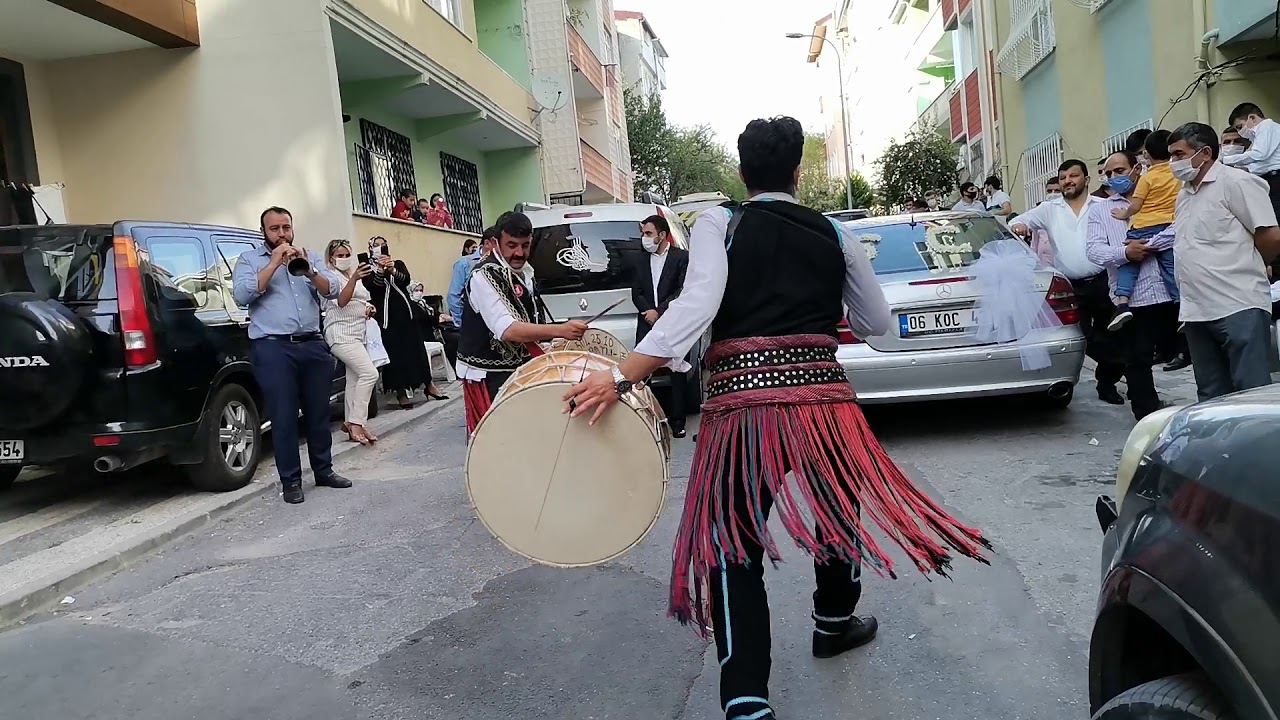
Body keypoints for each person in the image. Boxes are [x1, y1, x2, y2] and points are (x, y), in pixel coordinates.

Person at [563, 116, 990, 720]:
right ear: (797, 173)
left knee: (733, 540)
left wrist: (624, 372)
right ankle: (834, 622)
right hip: (824, 405)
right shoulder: (832, 232)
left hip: (743, 411)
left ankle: (746, 700)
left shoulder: (721, 221)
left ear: (742, 173)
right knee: (838, 507)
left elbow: (700, 301)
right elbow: (875, 324)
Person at [231, 207, 351, 504]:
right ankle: (291, 481)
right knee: (284, 416)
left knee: (318, 413)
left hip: (311, 343)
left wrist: (309, 269)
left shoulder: (306, 256)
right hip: (273, 347)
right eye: (275, 229)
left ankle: (323, 470)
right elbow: (242, 295)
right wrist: (273, 264)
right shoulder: (249, 260)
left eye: (286, 227)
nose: (282, 233)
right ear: (264, 233)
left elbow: (334, 290)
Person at [1168, 122, 1280, 400]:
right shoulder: (1184, 194)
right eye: (1171, 156)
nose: (1173, 163)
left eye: (1179, 154)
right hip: (1196, 311)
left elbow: (1270, 235)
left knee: (1251, 393)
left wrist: (1255, 263)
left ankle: (1257, 445)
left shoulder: (1236, 182)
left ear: (1205, 153)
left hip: (1237, 304)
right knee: (1211, 396)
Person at [457, 212, 588, 436]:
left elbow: (530, 320)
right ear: (495, 243)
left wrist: (549, 343)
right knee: (498, 443)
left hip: (521, 370)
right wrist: (561, 330)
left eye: (525, 245)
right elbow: (508, 329)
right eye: (511, 245)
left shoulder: (524, 272)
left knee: (526, 439)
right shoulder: (483, 275)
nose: (519, 253)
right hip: (491, 373)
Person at [1011, 160, 1130, 406]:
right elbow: (1015, 222)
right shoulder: (1049, 209)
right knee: (1083, 335)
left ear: (1086, 179)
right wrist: (1020, 226)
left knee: (1116, 333)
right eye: (1063, 177)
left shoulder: (1103, 206)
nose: (1068, 181)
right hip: (1070, 287)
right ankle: (1115, 363)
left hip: (1104, 280)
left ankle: (1107, 384)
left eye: (1073, 175)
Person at [1085, 151, 1176, 420]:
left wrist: (1148, 245)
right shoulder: (1100, 210)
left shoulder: (1162, 197)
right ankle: (1147, 414)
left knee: (1180, 350)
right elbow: (1093, 250)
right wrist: (1125, 253)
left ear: (1137, 168)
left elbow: (1181, 228)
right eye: (1108, 173)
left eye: (1120, 171)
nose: (1114, 177)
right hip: (1133, 298)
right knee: (1138, 358)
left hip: (1173, 291)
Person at [1106, 130, 1181, 332]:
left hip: (1142, 227)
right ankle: (1181, 304)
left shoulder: (1148, 178)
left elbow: (1137, 205)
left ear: (1146, 154)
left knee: (1129, 264)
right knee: (1171, 267)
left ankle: (1122, 302)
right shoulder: (1178, 175)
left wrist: (1124, 214)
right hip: (1168, 226)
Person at [362, 237, 447, 409]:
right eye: (376, 245)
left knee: (417, 349)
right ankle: (400, 391)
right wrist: (379, 269)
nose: (380, 248)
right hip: (387, 319)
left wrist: (391, 269)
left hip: (406, 314)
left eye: (383, 245)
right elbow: (374, 287)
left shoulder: (398, 263)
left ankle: (429, 385)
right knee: (395, 354)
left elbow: (405, 281)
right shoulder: (367, 269)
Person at [632, 214, 690, 438]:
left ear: (662, 235)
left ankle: (678, 422)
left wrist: (661, 311)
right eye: (643, 233)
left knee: (676, 371)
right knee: (642, 371)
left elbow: (682, 290)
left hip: (672, 321)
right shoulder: (639, 260)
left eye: (648, 234)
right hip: (646, 321)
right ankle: (650, 419)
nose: (644, 238)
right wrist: (648, 311)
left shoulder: (681, 258)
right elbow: (636, 292)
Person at [322, 239, 380, 446]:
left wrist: (368, 308)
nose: (345, 259)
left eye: (347, 255)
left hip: (358, 332)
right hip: (341, 334)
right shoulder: (330, 277)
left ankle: (351, 421)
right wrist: (354, 278)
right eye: (340, 255)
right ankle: (357, 421)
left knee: (354, 379)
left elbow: (359, 301)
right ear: (331, 258)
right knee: (369, 373)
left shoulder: (351, 276)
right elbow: (341, 301)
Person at [1223, 103, 1280, 214]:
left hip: (1276, 178)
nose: (1240, 132)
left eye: (1240, 127)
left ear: (1252, 118)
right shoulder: (1257, 137)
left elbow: (1259, 154)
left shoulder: (1266, 126)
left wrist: (1226, 160)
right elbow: (1260, 164)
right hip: (1270, 178)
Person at [448, 227, 498, 329]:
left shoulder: (499, 264)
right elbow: (453, 296)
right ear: (487, 243)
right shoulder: (464, 263)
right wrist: (463, 323)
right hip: (473, 323)